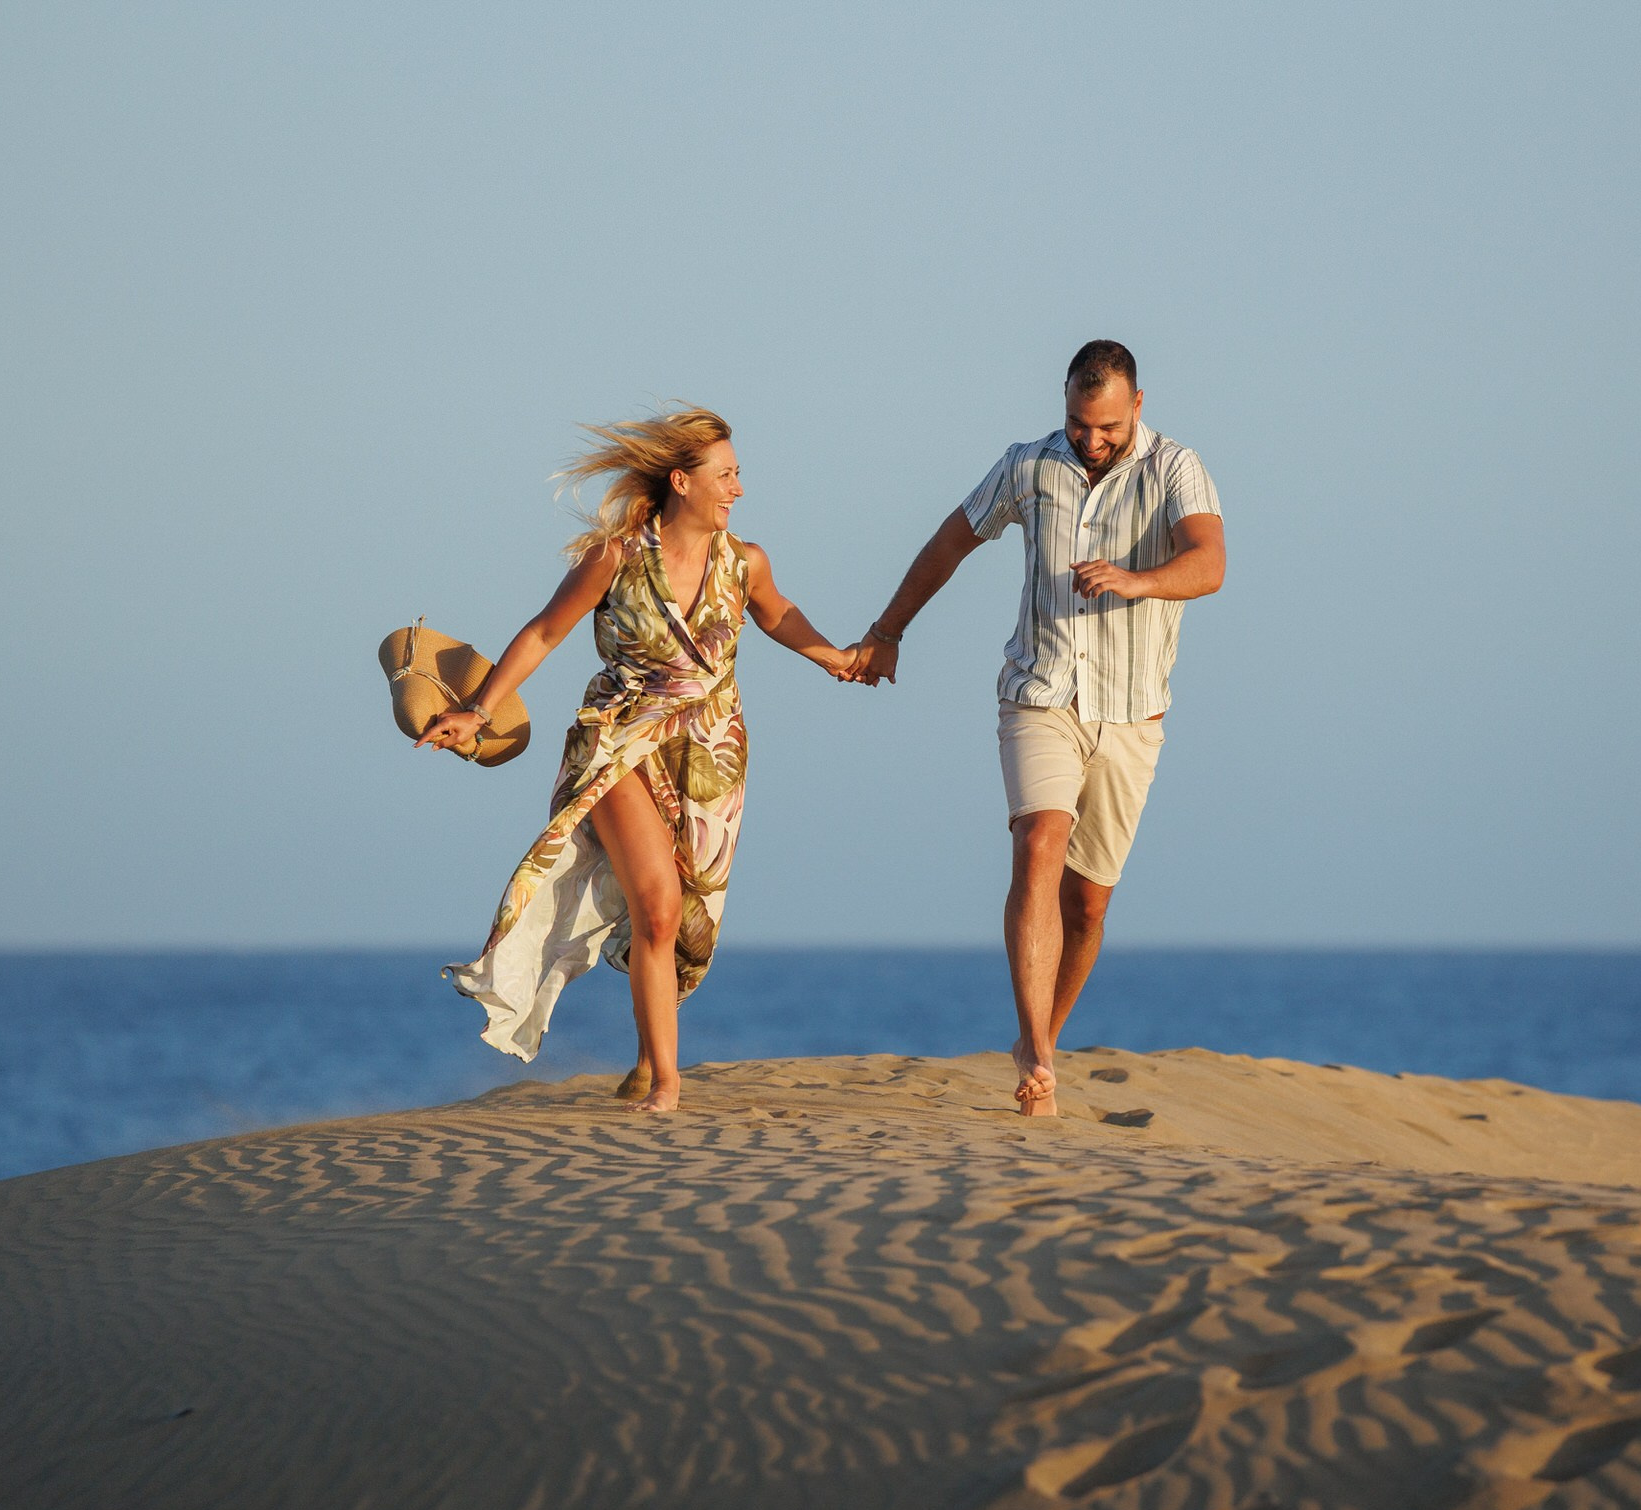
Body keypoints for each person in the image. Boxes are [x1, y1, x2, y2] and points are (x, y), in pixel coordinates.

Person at [418, 408, 863, 1112]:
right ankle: (667, 1083)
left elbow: (776, 614)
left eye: (738, 474)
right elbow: (545, 631)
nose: (739, 488)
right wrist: (479, 707)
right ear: (682, 482)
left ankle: (646, 1062)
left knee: (687, 921)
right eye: (726, 475)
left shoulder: (744, 562)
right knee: (656, 907)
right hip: (620, 740)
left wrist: (835, 657)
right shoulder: (617, 557)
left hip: (711, 758)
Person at [852, 341, 1224, 1117]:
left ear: (1139, 406)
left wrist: (1137, 580)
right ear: (1064, 406)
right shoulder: (1029, 465)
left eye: (1109, 428)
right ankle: (1037, 1052)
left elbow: (1209, 563)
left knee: (1088, 905)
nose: (1092, 441)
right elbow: (951, 541)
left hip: (1130, 716)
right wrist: (888, 630)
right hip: (1040, 696)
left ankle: (1039, 1044)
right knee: (1038, 842)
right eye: (1080, 423)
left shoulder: (1174, 469)